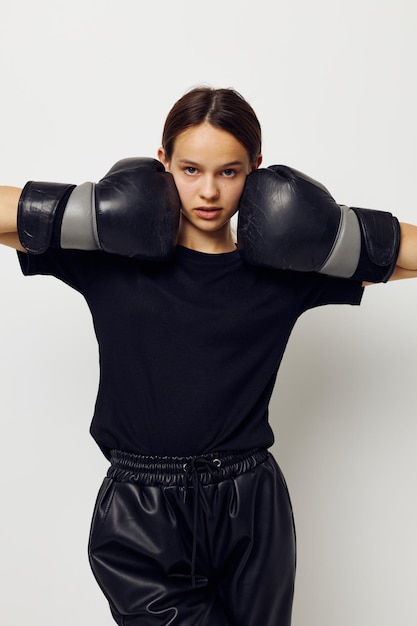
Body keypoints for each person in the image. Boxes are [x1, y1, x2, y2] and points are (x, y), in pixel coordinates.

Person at [1, 86, 417, 626]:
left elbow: (404, 259)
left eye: (230, 172)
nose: (209, 192)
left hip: (251, 506)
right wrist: (93, 210)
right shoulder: (109, 259)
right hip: (141, 513)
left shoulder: (284, 272)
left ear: (257, 172)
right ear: (162, 163)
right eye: (190, 169)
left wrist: (330, 226)